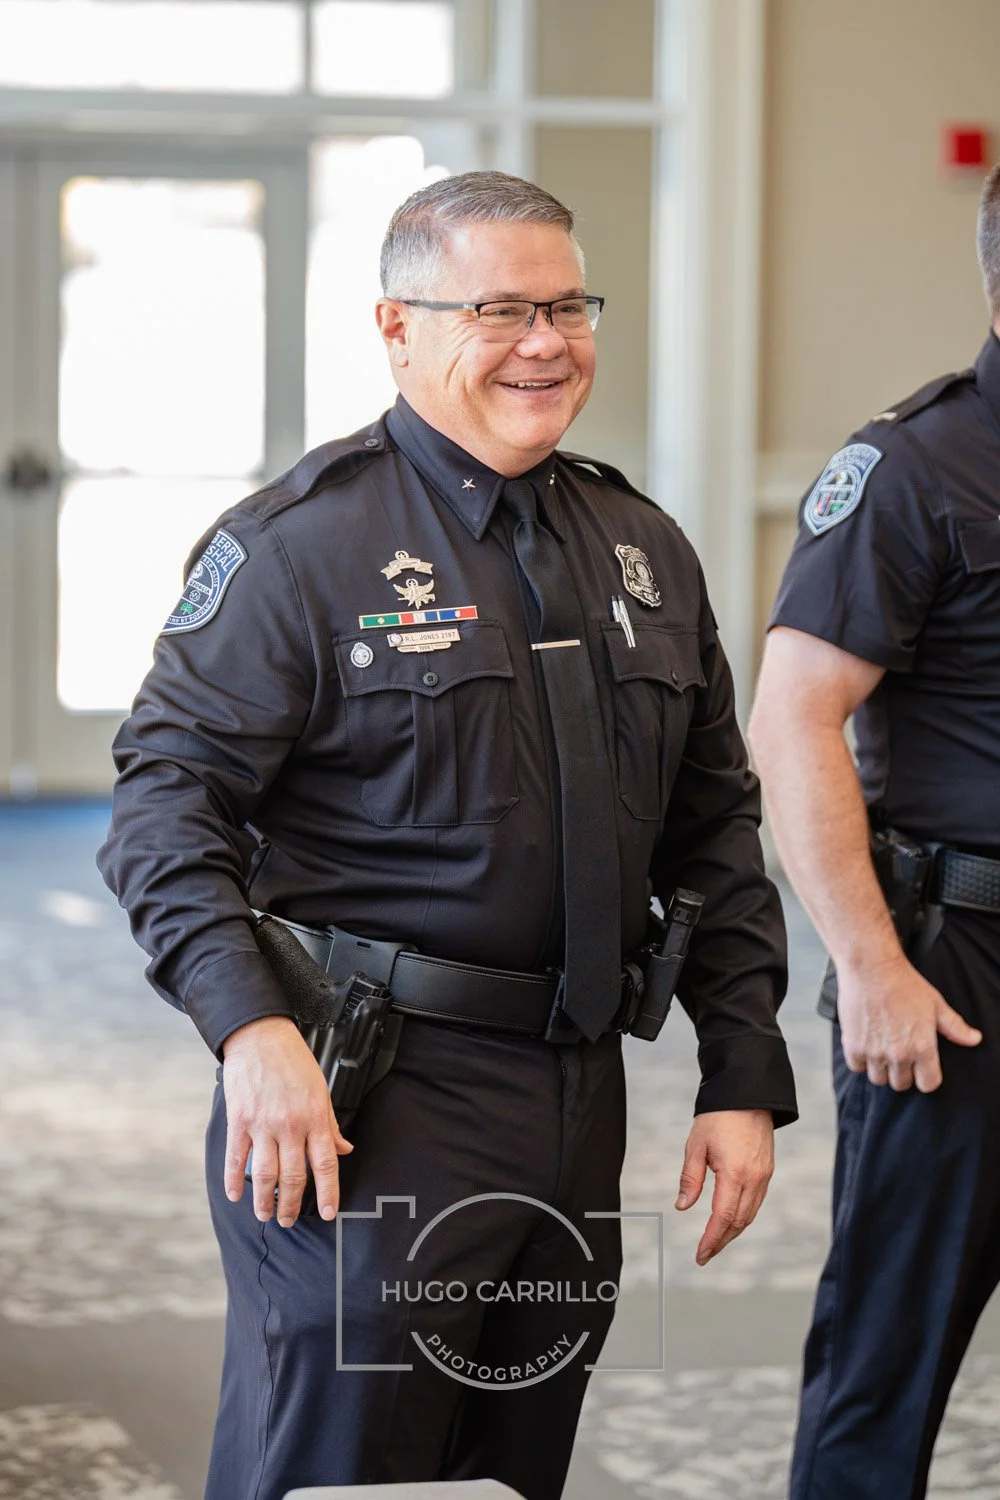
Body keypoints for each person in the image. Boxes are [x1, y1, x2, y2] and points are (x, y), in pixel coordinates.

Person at [99, 170, 796, 1500]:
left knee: (513, 1464)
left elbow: (715, 824)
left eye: (568, 304)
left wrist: (740, 1067)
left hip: (578, 1087)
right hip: (370, 1100)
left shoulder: (642, 547)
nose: (546, 340)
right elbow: (161, 806)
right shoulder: (301, 550)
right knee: (344, 1466)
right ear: (397, 327)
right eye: (498, 308)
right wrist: (252, 1033)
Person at [749, 165, 1000, 1500]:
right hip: (961, 975)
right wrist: (871, 966)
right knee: (887, 1358)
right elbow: (792, 721)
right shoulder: (912, 465)